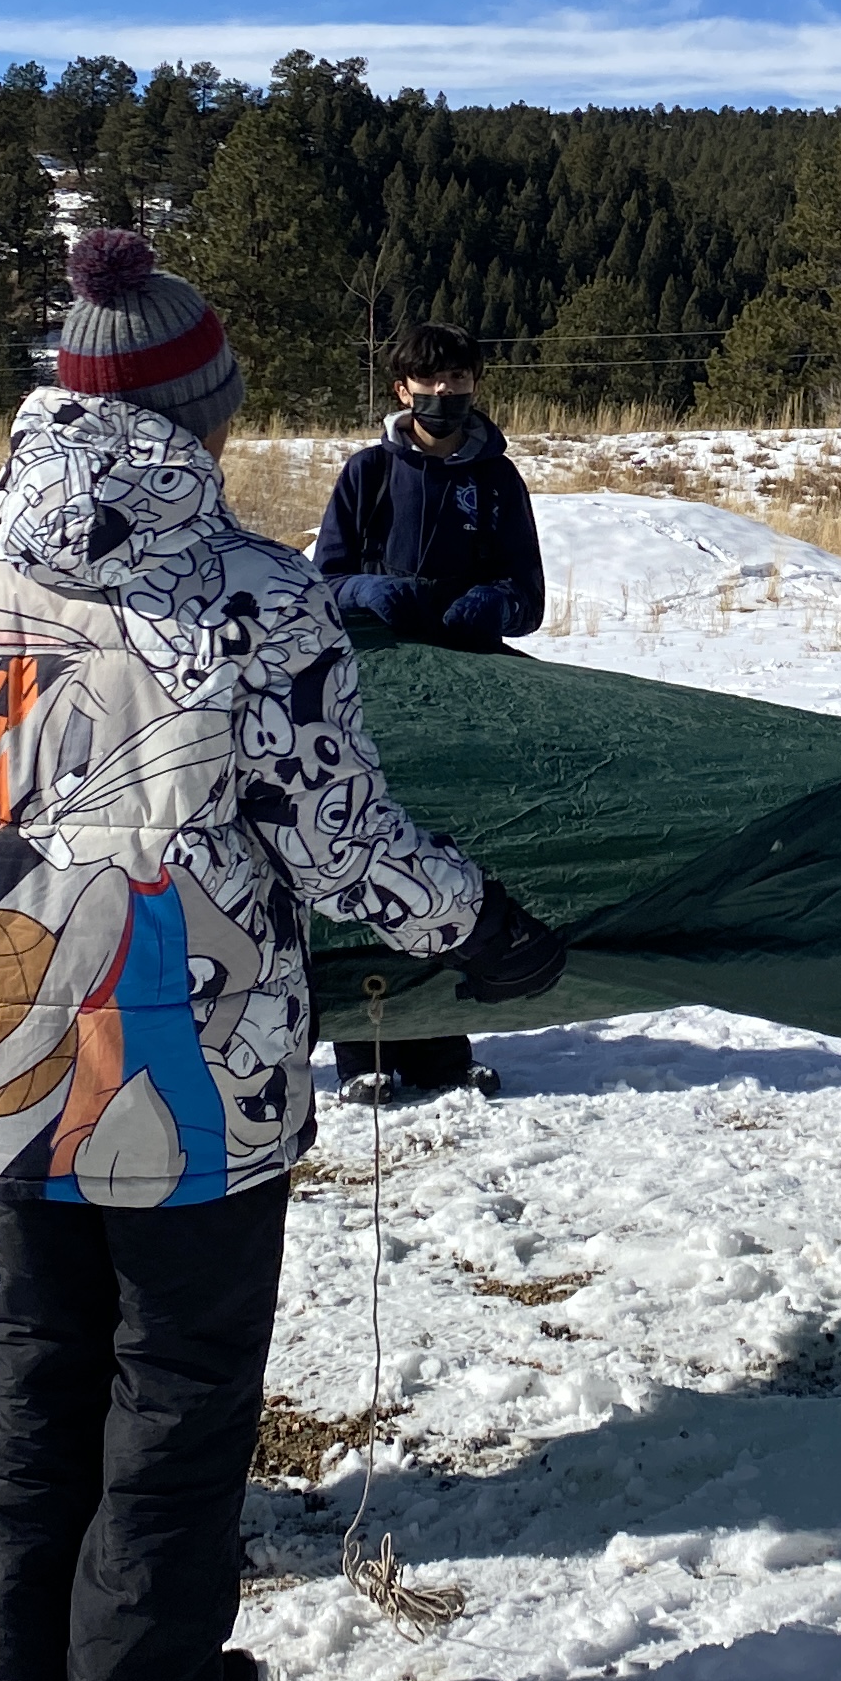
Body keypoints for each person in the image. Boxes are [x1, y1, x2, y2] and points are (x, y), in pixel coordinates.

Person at [0, 231, 565, 1681]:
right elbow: (340, 843)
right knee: (181, 1385)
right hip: (191, 1061)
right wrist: (482, 924)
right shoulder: (260, 599)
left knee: (43, 1363)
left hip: (3, 1046)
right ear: (205, 416)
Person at [306, 319, 549, 1104]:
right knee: (364, 856)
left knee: (453, 858)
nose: (446, 396)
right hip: (372, 693)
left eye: (460, 382)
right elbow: (323, 583)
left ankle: (444, 1046)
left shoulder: (498, 480)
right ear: (400, 389)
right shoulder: (367, 473)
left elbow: (529, 596)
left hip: (470, 694)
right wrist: (368, 593)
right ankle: (362, 1048)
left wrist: (492, 605)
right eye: (430, 383)